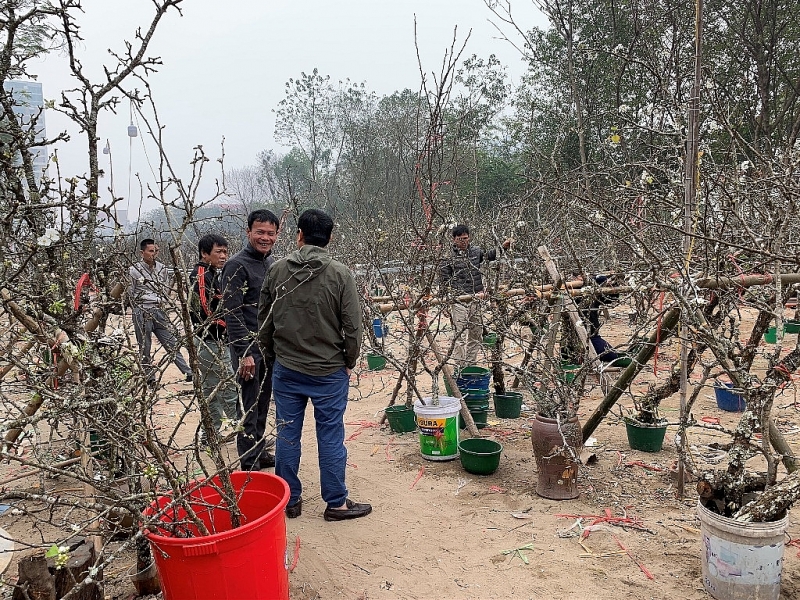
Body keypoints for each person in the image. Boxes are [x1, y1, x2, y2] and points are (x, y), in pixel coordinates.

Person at [258, 209, 370, 521]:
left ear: (299, 235)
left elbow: (263, 321)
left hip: (287, 369)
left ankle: (289, 501)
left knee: (287, 435)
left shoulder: (277, 270)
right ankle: (336, 503)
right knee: (331, 435)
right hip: (328, 372)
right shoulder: (340, 274)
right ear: (330, 237)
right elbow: (353, 326)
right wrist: (348, 360)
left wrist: (271, 358)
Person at [221, 210, 280, 471]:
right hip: (248, 350)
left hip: (268, 348)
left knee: (263, 401)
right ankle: (249, 461)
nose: (265, 238)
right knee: (249, 404)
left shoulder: (270, 263)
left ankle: (259, 449)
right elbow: (231, 313)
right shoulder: (237, 265)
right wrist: (244, 352)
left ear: (277, 235)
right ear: (248, 232)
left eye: (270, 233)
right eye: (260, 232)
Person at [189, 233, 238, 445]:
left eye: (226, 251)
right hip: (210, 341)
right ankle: (242, 432)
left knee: (214, 389)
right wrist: (232, 326)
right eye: (218, 251)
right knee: (226, 387)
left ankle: (212, 433)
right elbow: (206, 310)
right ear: (204, 253)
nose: (223, 256)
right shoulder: (200, 275)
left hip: (215, 340)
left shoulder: (212, 273)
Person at [439, 225, 511, 366]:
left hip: (476, 298)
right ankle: (460, 366)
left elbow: (490, 256)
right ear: (453, 239)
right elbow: (444, 281)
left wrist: (503, 247)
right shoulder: (447, 257)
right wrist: (444, 302)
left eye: (466, 238)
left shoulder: (476, 252)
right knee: (459, 335)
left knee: (476, 333)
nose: (463, 242)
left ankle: (470, 364)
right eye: (460, 239)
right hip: (458, 300)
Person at [128, 238, 192, 386]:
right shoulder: (134, 270)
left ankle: (188, 372)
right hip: (142, 311)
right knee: (145, 346)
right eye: (151, 251)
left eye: (156, 251)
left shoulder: (162, 268)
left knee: (171, 342)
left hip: (159, 311)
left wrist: (162, 302)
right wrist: (144, 304)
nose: (154, 254)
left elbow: (164, 289)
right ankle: (150, 378)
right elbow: (131, 293)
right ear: (142, 252)